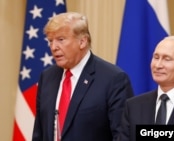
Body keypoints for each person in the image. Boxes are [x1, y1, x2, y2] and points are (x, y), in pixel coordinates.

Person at [32, 12, 134, 141]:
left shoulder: (113, 79)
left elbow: (123, 135)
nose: (53, 47)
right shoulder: (47, 77)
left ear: (82, 42)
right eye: (50, 41)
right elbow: (39, 132)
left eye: (61, 40)